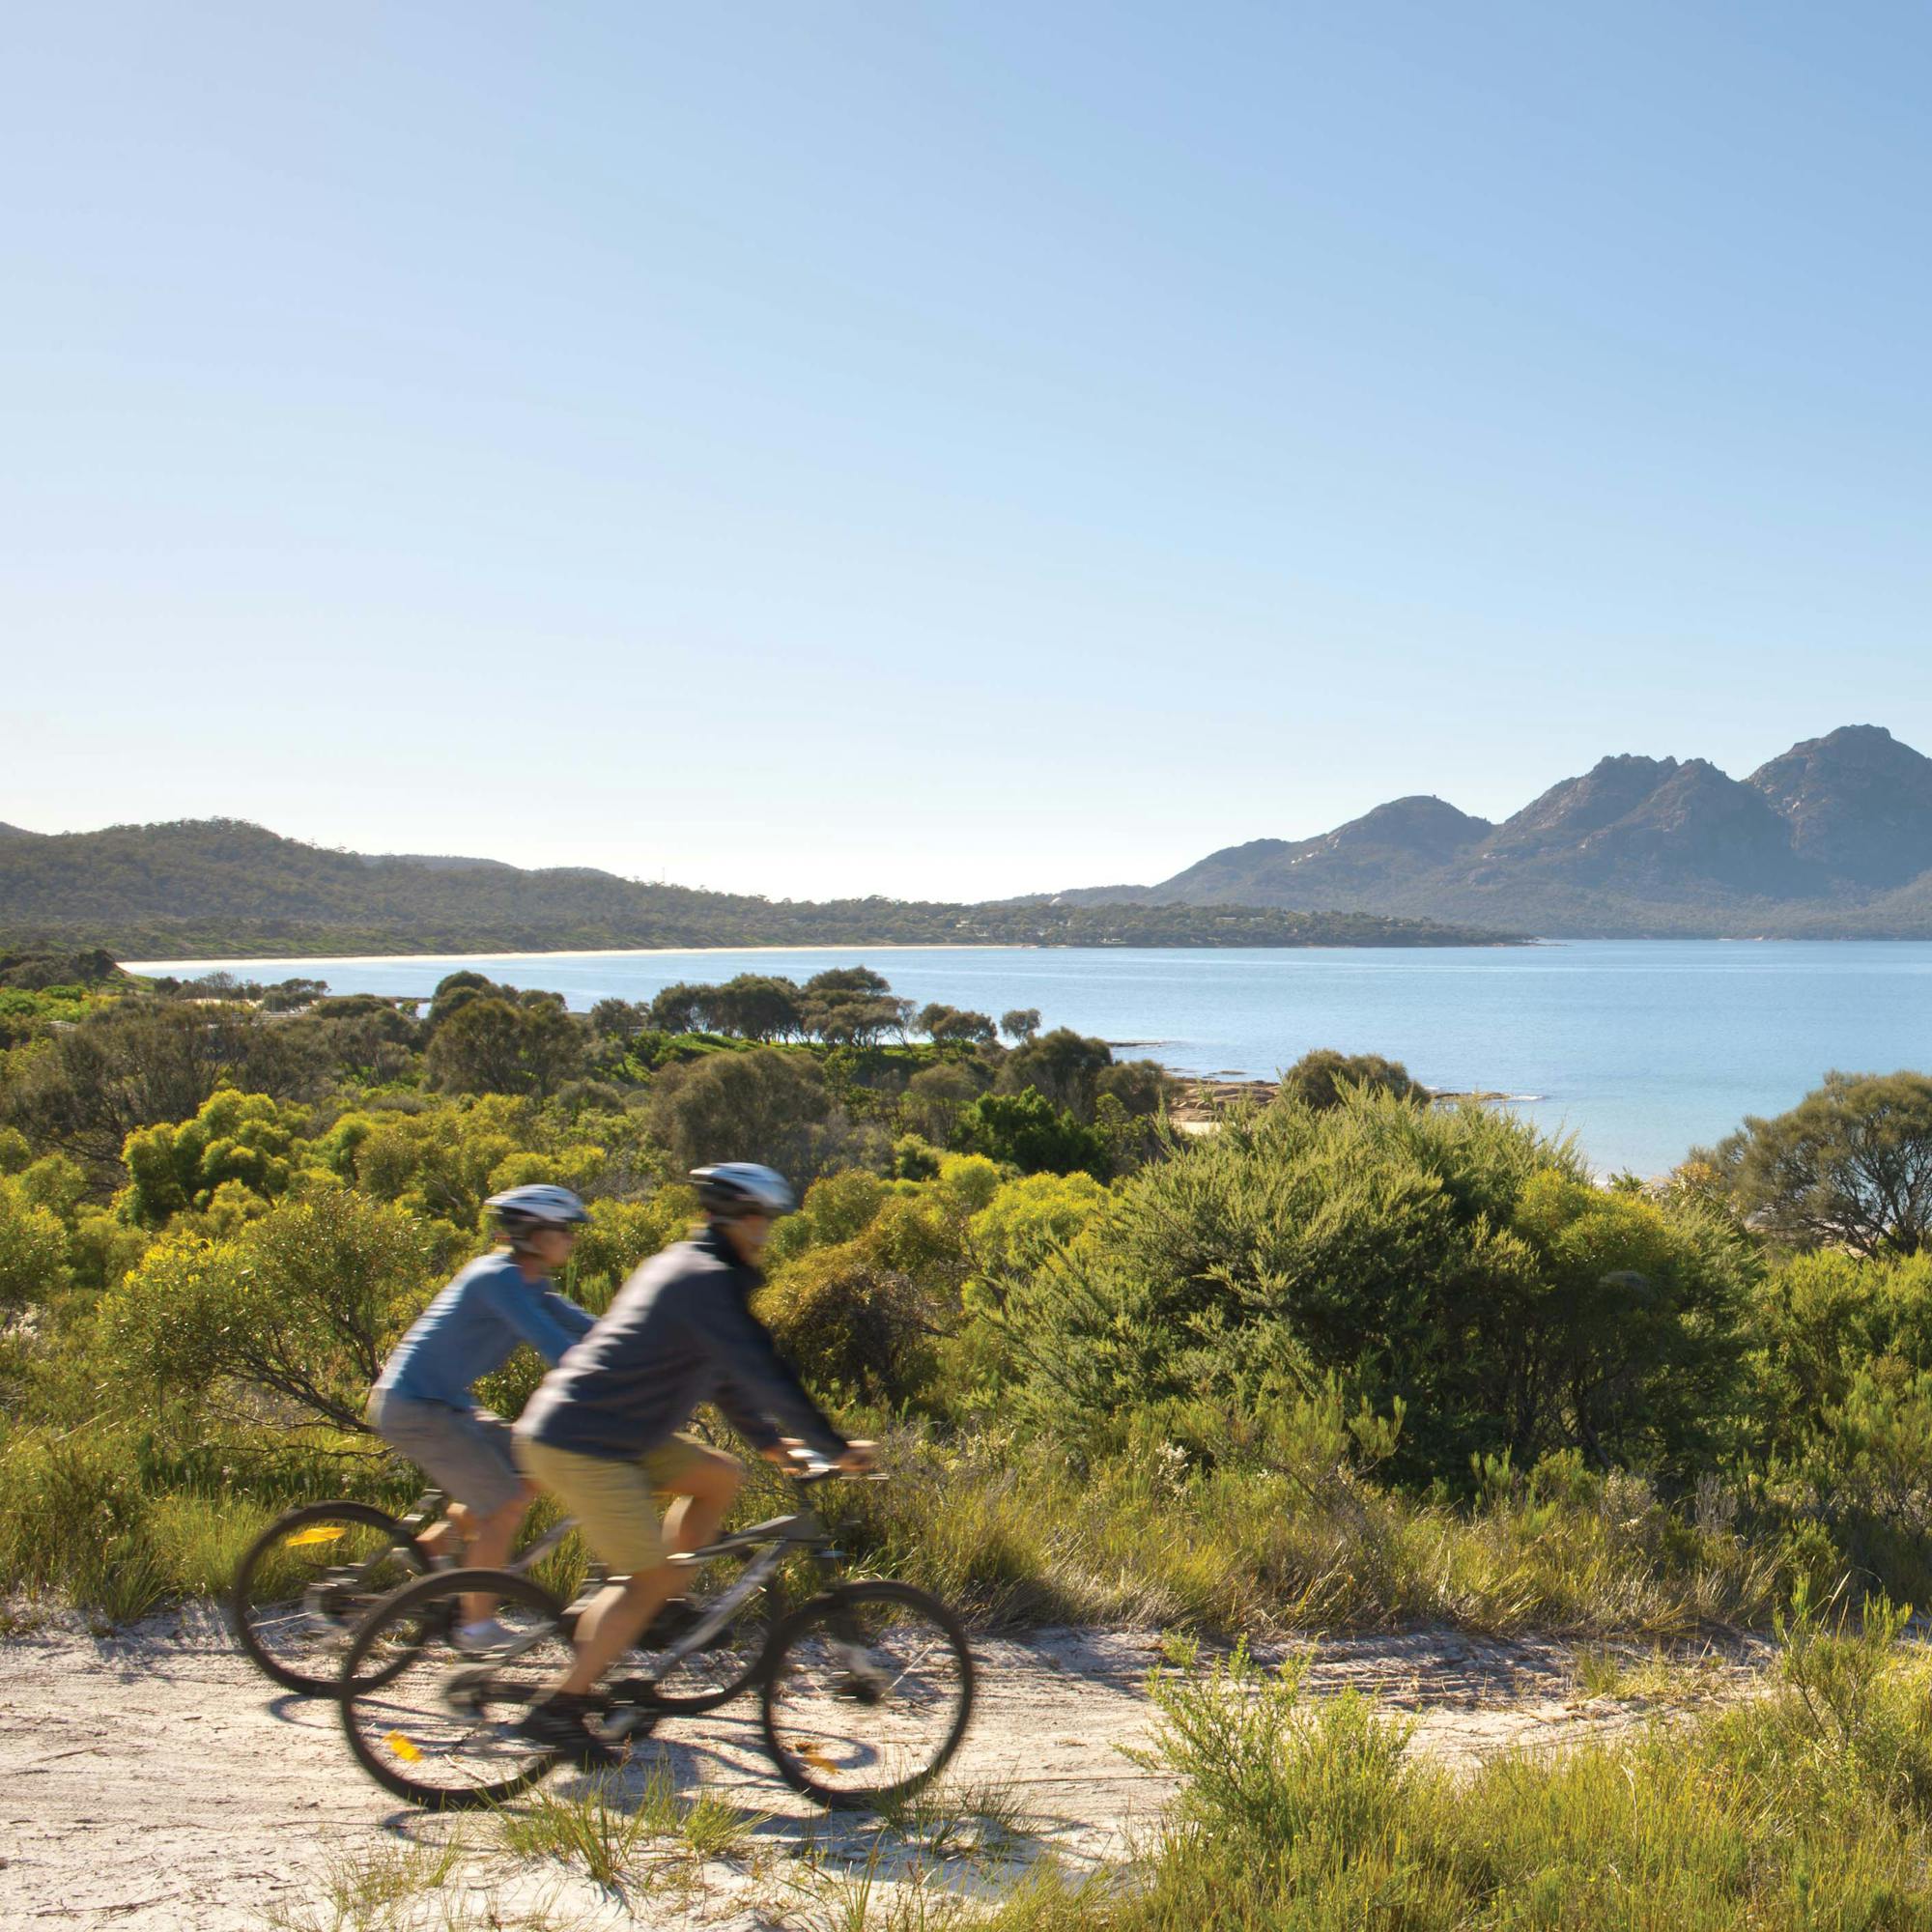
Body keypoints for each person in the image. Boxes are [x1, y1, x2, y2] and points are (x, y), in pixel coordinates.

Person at [512, 1162, 873, 1764]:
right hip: (584, 1440)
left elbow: (722, 1373)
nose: (764, 1232)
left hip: (610, 1431)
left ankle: (661, 1604)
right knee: (646, 1579)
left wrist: (767, 1443)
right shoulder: (707, 1280)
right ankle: (561, 1708)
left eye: (767, 1219)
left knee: (717, 1475)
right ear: (730, 1218)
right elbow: (763, 1371)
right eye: (757, 1218)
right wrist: (831, 1444)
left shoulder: (683, 1266)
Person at [366, 1182, 597, 1651]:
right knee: (503, 1503)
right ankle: (475, 1628)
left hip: (445, 1404)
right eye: (565, 1230)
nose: (572, 1238)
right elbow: (555, 1346)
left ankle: (427, 1551)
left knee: (532, 1465)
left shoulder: (532, 1283)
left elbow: (594, 1330)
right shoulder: (497, 1278)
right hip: (415, 1408)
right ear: (534, 1233)